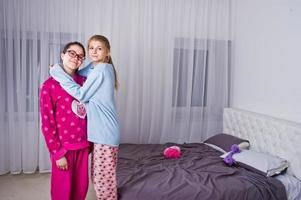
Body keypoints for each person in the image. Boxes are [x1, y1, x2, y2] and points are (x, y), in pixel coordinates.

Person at [50, 35, 120, 200]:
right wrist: (64, 67)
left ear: (107, 52)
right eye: (91, 48)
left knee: (102, 181)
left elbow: (81, 94)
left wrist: (56, 72)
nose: (94, 52)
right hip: (103, 132)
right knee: (98, 176)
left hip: (105, 133)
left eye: (99, 48)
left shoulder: (101, 70)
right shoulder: (97, 68)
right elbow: (78, 73)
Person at [40, 41, 91, 200]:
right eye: (72, 53)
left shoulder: (84, 82)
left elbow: (92, 113)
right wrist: (57, 153)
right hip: (64, 148)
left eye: (81, 56)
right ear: (62, 55)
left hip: (83, 145)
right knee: (62, 189)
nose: (76, 58)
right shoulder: (49, 86)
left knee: (81, 187)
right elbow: (47, 123)